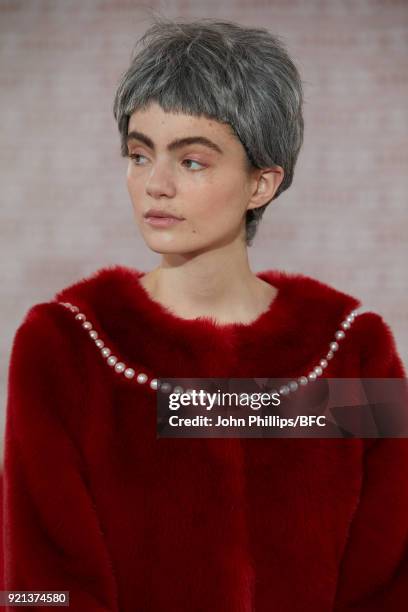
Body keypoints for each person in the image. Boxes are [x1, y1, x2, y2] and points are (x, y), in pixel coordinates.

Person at [2, 16, 408, 612]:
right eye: (140, 155)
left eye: (192, 161)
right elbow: (39, 590)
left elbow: (390, 580)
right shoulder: (66, 346)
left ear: (262, 184)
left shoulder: (351, 350)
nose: (155, 185)